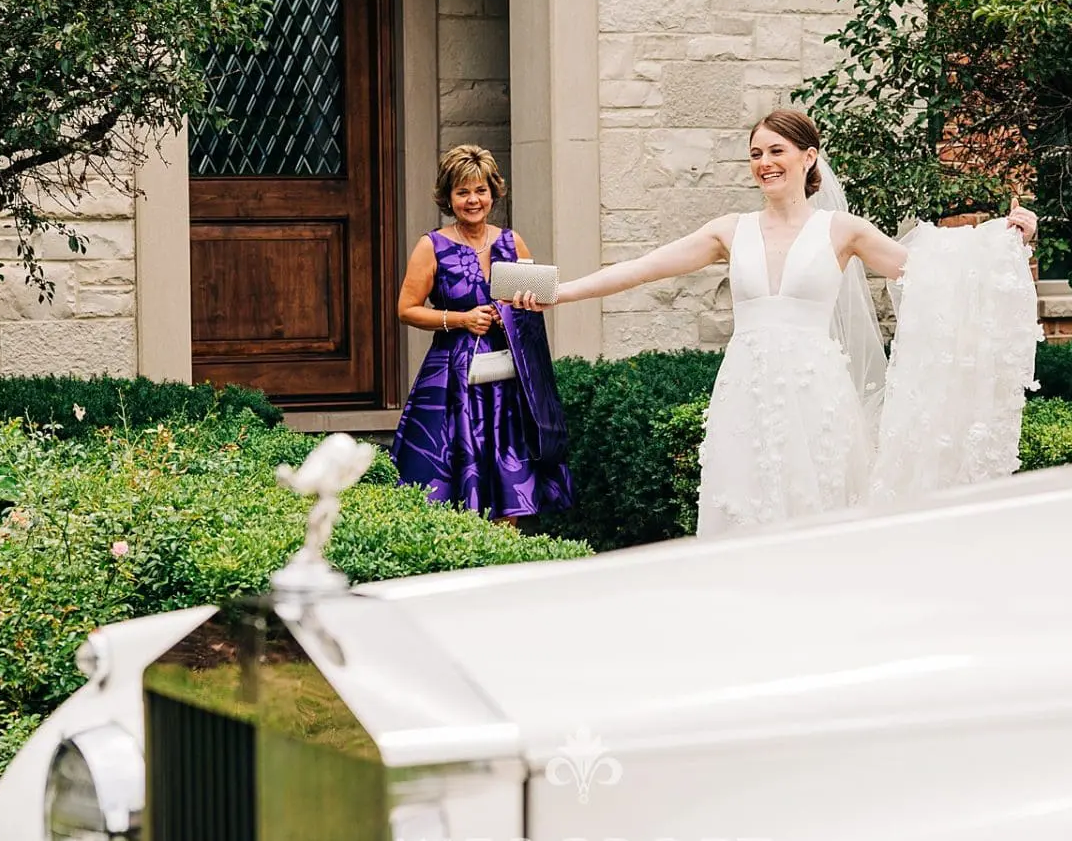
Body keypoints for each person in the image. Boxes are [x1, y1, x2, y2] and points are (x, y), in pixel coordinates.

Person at [546, 108, 1037, 539]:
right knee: (743, 502)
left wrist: (1008, 240)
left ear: (808, 157)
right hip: (745, 387)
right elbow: (643, 267)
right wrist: (560, 293)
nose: (764, 163)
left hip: (816, 393)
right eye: (755, 154)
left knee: (816, 504)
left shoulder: (843, 230)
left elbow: (932, 268)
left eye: (776, 151)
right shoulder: (729, 231)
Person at [390, 145, 573, 525]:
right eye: (463, 192)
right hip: (454, 378)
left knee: (508, 472)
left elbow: (533, 305)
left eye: (481, 191)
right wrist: (462, 319)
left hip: (508, 377)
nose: (473, 200)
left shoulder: (512, 242)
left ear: (493, 193)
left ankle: (504, 555)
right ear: (448, 196)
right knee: (452, 478)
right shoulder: (432, 246)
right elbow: (407, 309)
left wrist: (513, 314)